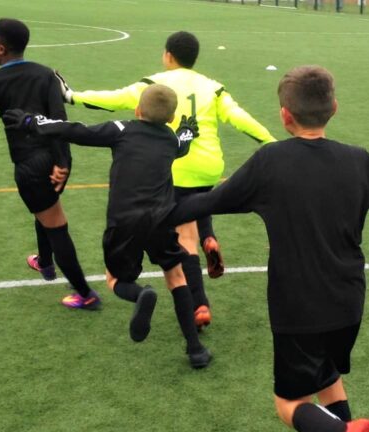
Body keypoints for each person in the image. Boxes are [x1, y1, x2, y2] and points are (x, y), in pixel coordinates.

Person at [167, 65, 369, 432]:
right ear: (335, 108)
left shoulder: (271, 162)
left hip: (297, 305)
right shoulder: (357, 161)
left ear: (285, 116)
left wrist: (155, 213)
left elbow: (209, 202)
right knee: (329, 377)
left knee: (288, 404)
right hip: (347, 301)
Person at [57, 31, 276, 328]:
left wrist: (73, 96)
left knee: (185, 240)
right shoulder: (213, 87)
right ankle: (209, 236)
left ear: (168, 55)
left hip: (175, 167)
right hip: (209, 167)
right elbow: (239, 117)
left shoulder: (154, 85)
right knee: (199, 207)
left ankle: (199, 304)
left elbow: (115, 98)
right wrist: (273, 144)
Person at [2, 84, 212, 369]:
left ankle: (140, 294)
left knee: (115, 280)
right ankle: (195, 349)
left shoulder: (122, 130)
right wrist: (187, 132)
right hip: (162, 219)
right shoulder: (170, 141)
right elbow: (183, 144)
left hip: (124, 221)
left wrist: (33, 122)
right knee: (176, 276)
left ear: (138, 111)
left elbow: (76, 130)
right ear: (171, 118)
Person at [0, 18, 99, 309]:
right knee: (46, 211)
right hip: (54, 158)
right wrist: (63, 162)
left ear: (0, 49)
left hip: (29, 166)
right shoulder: (46, 74)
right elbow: (60, 120)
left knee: (55, 225)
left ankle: (85, 294)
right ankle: (45, 263)